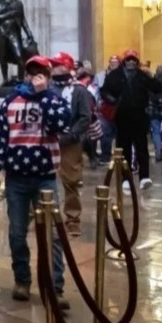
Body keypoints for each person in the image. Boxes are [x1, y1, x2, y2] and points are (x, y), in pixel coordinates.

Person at [0, 56, 70, 308]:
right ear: (25, 74)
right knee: (16, 233)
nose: (35, 76)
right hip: (17, 179)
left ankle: (54, 287)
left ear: (47, 76)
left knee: (53, 235)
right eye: (32, 72)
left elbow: (60, 123)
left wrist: (43, 94)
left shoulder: (54, 99)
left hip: (45, 177)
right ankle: (22, 280)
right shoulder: (11, 101)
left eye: (41, 72)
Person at [100, 49, 162, 190]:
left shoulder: (143, 76)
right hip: (122, 117)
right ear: (124, 61)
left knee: (142, 148)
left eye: (134, 60)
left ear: (137, 61)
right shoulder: (114, 75)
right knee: (123, 149)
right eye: (129, 59)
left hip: (140, 116)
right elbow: (104, 91)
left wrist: (151, 76)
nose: (131, 62)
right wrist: (112, 100)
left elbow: (158, 88)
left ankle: (144, 177)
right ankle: (125, 178)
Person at [50, 52, 92, 237]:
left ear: (67, 68)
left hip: (70, 142)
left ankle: (73, 218)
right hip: (48, 140)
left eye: (58, 65)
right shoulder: (47, 89)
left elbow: (85, 118)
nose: (55, 68)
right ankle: (45, 215)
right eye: (53, 65)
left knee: (71, 181)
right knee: (44, 180)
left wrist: (71, 134)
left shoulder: (80, 91)